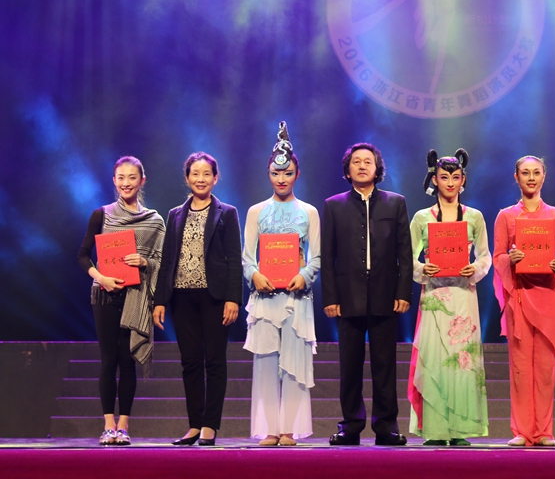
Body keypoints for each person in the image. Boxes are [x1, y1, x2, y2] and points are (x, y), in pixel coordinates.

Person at [321, 143, 413, 446]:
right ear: (348, 170)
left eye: (368, 161)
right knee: (349, 366)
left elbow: (405, 252)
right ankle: (350, 426)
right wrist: (330, 297)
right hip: (347, 296)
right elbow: (328, 255)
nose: (362, 166)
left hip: (385, 295)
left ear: (377, 168)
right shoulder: (333, 205)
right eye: (356, 162)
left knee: (385, 366)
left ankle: (386, 427)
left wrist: (403, 291)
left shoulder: (395, 203)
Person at [153, 152, 242, 446]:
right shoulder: (175, 214)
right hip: (182, 297)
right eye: (195, 174)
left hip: (214, 297)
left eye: (206, 174)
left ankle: (210, 426)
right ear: (187, 178)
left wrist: (233, 298)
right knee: (190, 362)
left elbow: (234, 259)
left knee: (214, 362)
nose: (200, 179)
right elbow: (167, 259)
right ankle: (194, 425)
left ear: (215, 178)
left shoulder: (227, 213)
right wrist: (160, 300)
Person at [77, 156, 165, 445]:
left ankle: (124, 426)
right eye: (121, 178)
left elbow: (163, 261)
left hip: (136, 297)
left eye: (132, 177)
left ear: (142, 181)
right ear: (114, 181)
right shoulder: (101, 215)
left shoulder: (154, 221)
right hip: (105, 295)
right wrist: (100, 277)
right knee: (108, 360)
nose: (126, 183)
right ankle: (108, 425)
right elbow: (83, 255)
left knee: (127, 362)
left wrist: (145, 262)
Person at [242, 122, 321, 446]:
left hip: (295, 296)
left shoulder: (309, 212)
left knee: (293, 362)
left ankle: (289, 428)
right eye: (276, 174)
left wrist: (304, 276)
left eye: (287, 173)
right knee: (265, 362)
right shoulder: (256, 211)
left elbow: (316, 257)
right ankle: (269, 429)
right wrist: (254, 275)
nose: (281, 179)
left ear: (297, 174)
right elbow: (247, 257)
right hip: (264, 297)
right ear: (268, 175)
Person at [408, 149, 491, 446]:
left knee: (462, 361)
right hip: (435, 295)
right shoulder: (421, 218)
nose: (450, 183)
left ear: (463, 180)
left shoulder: (474, 217)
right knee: (434, 357)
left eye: (456, 177)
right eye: (444, 177)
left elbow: (485, 255)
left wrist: (475, 268)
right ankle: (435, 429)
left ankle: (459, 429)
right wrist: (423, 268)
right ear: (435, 179)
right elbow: (407, 257)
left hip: (463, 294)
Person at [493, 155, 555, 448]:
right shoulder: (505, 216)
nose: (531, 178)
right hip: (520, 297)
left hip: (548, 297)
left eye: (536, 172)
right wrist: (510, 259)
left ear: (544, 176)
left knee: (546, 369)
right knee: (521, 368)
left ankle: (544, 431)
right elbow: (498, 256)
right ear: (516, 177)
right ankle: (522, 430)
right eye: (525, 173)